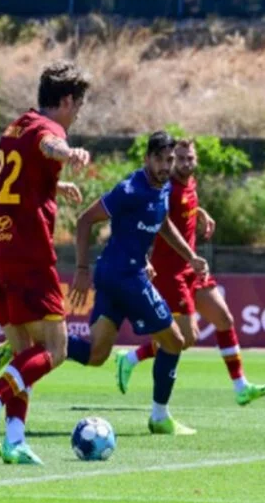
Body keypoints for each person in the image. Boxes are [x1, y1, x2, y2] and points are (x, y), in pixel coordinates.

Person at [0, 60, 95, 465]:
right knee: (55, 348)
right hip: (28, 253)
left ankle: (16, 439)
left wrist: (57, 181)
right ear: (66, 100)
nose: (76, 115)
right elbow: (47, 144)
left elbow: (21, 174)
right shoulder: (49, 130)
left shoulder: (13, 127)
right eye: (78, 107)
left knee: (24, 352)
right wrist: (68, 152)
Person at [68, 131, 209, 435]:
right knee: (174, 341)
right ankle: (160, 417)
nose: (164, 165)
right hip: (126, 277)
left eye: (169, 160)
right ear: (146, 159)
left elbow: (162, 224)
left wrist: (190, 256)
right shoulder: (130, 189)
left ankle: (38, 342)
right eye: (158, 159)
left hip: (117, 273)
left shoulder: (164, 186)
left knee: (96, 354)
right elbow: (84, 220)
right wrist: (81, 267)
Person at [115, 139, 265, 405]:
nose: (186, 163)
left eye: (190, 158)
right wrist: (143, 258)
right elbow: (146, 221)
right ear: (171, 159)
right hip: (170, 273)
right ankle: (131, 358)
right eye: (180, 158)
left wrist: (199, 212)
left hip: (193, 269)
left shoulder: (189, 184)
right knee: (185, 338)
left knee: (224, 319)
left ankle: (241, 387)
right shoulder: (165, 188)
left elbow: (182, 210)